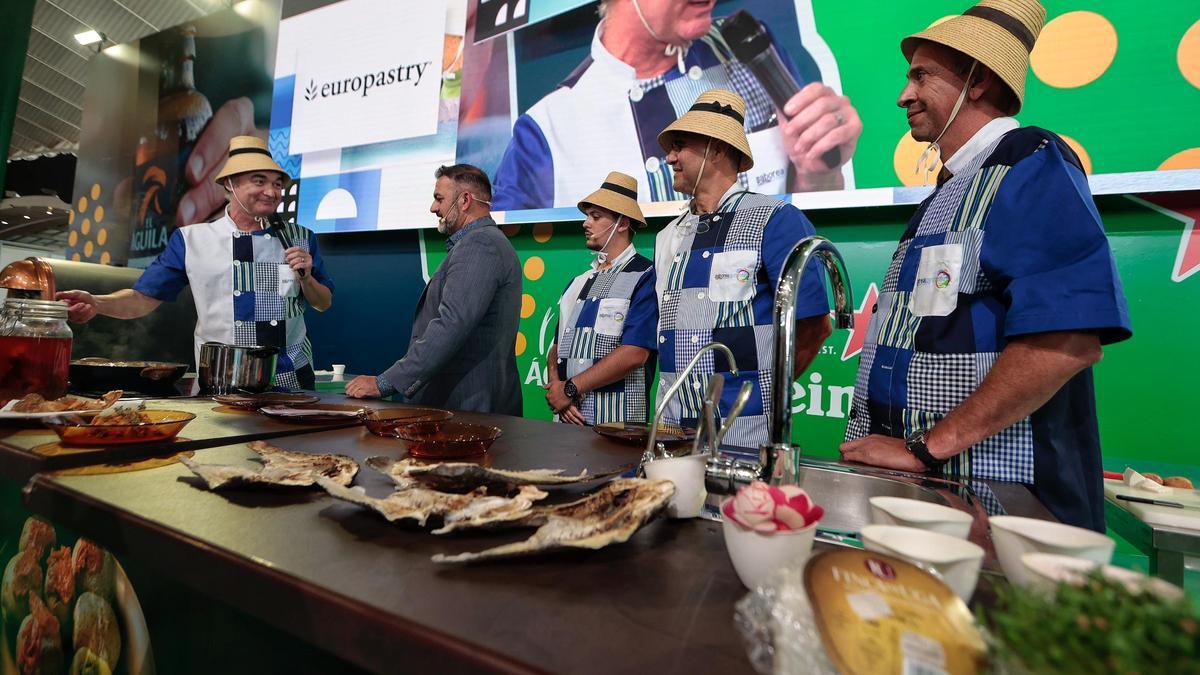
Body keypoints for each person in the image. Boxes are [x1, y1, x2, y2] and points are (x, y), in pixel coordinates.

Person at [839, 0, 1131, 532]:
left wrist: (928, 448)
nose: (904, 95)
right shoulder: (952, 189)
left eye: (921, 75)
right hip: (943, 496)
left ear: (975, 80)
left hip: (1003, 505)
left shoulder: (1030, 161)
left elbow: (1067, 342)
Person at [491, 0, 863, 211]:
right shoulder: (547, 129)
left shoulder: (748, 45)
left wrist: (818, 172)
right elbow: (519, 276)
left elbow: (809, 219)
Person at [58, 136, 334, 391]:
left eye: (277, 184)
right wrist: (97, 302)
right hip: (224, 379)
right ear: (230, 184)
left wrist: (307, 278)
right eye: (259, 181)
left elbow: (323, 303)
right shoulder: (193, 240)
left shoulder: (301, 237)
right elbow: (142, 299)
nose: (272, 192)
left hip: (291, 379)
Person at [654, 88, 831, 448]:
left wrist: (762, 396)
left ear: (717, 148)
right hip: (669, 430)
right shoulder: (668, 235)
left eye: (679, 144)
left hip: (743, 434)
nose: (669, 156)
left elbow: (815, 327)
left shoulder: (776, 219)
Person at [344, 164, 523, 415]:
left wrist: (385, 383)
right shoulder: (478, 243)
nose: (433, 208)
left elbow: (451, 324)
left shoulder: (480, 244)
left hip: (469, 408)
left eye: (439, 199)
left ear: (464, 200)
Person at [545, 172, 658, 425]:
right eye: (587, 216)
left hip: (618, 428)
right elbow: (556, 347)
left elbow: (635, 353)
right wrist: (556, 385)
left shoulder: (646, 275)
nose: (586, 223)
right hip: (568, 426)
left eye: (596, 217)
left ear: (622, 223)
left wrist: (570, 389)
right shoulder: (578, 281)